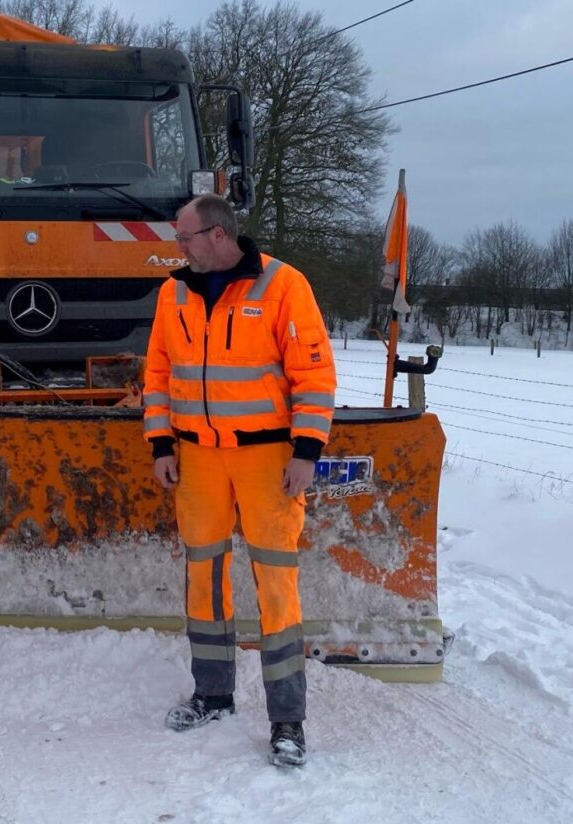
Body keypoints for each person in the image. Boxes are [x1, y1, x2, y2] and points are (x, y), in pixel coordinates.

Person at [142, 194, 337, 768]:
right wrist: (160, 443)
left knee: (275, 583)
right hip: (197, 459)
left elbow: (314, 373)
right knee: (202, 574)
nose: (178, 248)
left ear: (219, 235)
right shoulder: (172, 293)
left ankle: (287, 720)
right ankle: (213, 693)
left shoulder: (283, 286)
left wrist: (306, 451)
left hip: (267, 459)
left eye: (185, 238)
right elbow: (156, 373)